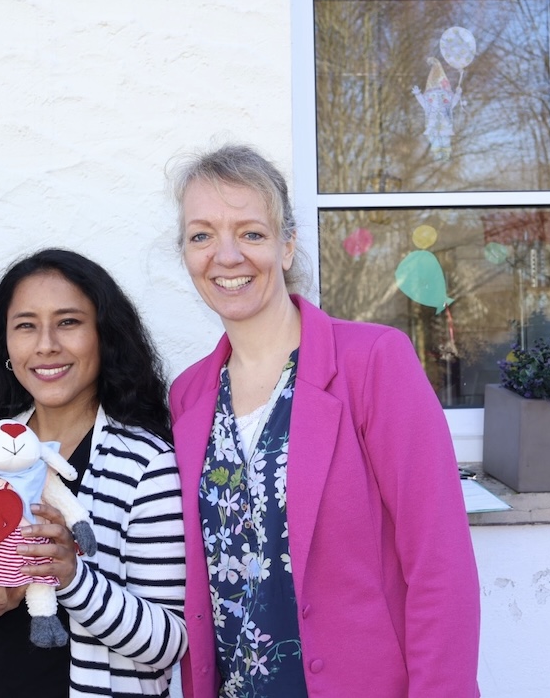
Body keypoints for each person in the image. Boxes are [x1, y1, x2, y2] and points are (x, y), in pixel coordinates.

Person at [166, 144, 481, 698]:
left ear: (287, 245)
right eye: (201, 236)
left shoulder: (373, 363)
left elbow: (440, 563)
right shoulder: (188, 396)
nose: (226, 256)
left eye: (251, 233)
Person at [0, 247, 188, 697]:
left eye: (68, 322)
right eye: (26, 325)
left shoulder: (147, 462)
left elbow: (168, 644)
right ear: (5, 344)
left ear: (104, 335)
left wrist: (72, 576)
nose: (46, 344)